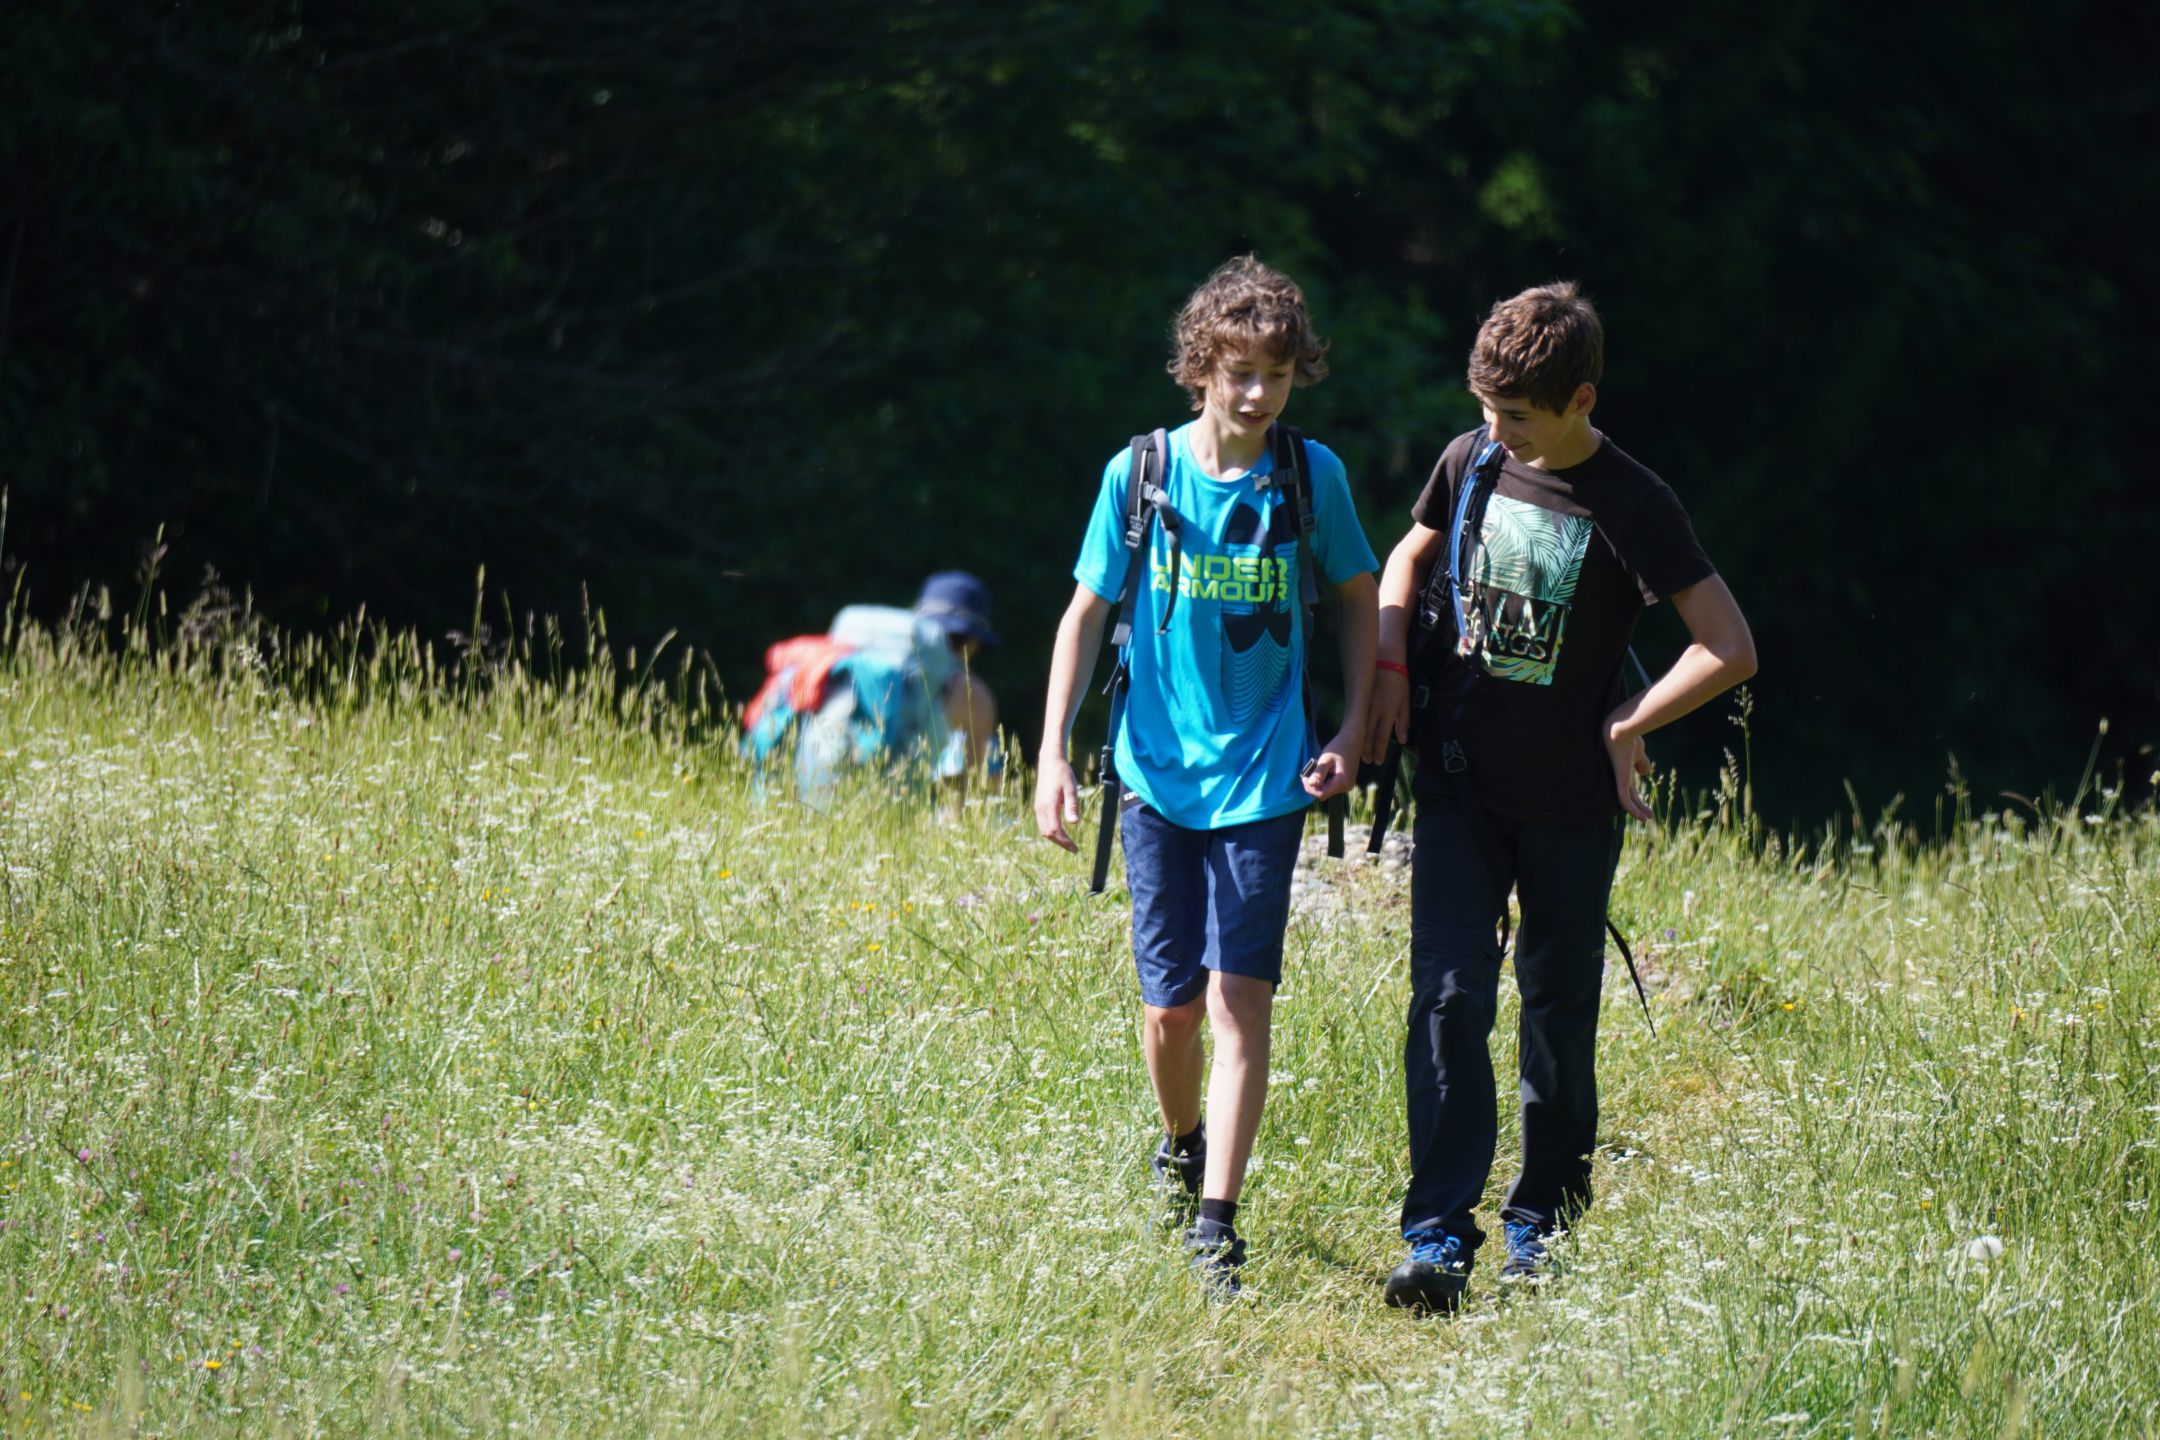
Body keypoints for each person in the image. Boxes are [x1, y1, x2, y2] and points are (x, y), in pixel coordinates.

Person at [1365, 282, 1756, 1313]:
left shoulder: (1633, 500)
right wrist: (1392, 663)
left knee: (1556, 1011)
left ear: (1582, 400)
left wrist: (1627, 723)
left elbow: (1729, 646)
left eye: (1519, 417)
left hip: (1572, 803)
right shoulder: (1474, 457)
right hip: (1457, 783)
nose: (1497, 433)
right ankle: (1437, 1238)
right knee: (1448, 998)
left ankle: (1540, 1228)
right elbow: (1410, 552)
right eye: (1486, 411)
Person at [1036, 256, 1379, 1298]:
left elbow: (1359, 598)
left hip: (1269, 783)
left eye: (1277, 374)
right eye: (1240, 373)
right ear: (1201, 369)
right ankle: (1181, 1139)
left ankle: (1217, 1230)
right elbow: (1085, 614)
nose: (1258, 394)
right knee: (1170, 1014)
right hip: (1153, 777)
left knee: (1239, 1005)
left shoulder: (1311, 478)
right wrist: (1052, 752)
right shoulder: (1139, 473)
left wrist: (1354, 725)